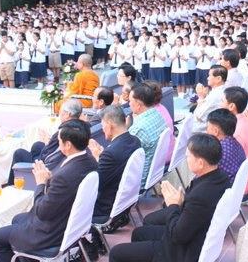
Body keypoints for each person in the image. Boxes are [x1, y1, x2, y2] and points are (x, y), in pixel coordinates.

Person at [109, 133, 231, 262]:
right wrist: (181, 201)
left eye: (188, 155)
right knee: (139, 233)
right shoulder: (220, 178)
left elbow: (178, 236)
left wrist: (173, 204)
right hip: (195, 234)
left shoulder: (200, 196)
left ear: (200, 163)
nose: (186, 157)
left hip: (180, 251)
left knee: (116, 253)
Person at [0, 120, 99, 262]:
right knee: (17, 219)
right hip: (70, 224)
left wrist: (41, 183)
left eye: (59, 141)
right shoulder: (90, 161)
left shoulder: (64, 176)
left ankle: (28, 254)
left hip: (51, 234)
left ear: (68, 145)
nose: (57, 144)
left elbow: (42, 212)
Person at [87, 105, 141, 224]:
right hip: (124, 202)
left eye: (103, 126)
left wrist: (98, 159)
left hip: (105, 208)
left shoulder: (110, 153)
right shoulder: (135, 141)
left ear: (109, 124)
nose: (102, 129)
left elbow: (97, 185)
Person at [7, 99, 83, 184]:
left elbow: (51, 156)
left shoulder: (65, 131)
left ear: (68, 114)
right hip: (53, 156)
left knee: (19, 153)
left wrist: (48, 142)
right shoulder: (81, 126)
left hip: (46, 165)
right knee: (37, 145)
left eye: (61, 112)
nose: (59, 115)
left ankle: (11, 185)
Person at [128, 83, 169, 186]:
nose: (129, 104)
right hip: (155, 172)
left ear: (138, 105)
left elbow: (125, 158)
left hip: (140, 180)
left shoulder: (138, 129)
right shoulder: (157, 114)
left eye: (130, 101)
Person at [206, 108, 246, 183]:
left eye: (207, 127)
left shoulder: (217, 151)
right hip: (235, 187)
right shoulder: (235, 143)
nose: (206, 131)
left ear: (215, 131)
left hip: (223, 190)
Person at [221, 86, 248, 163]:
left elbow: (231, 158)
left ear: (231, 106)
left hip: (244, 172)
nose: (220, 104)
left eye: (222, 101)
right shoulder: (245, 120)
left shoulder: (235, 132)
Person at [193, 64, 228, 132]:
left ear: (218, 79)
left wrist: (201, 96)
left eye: (209, 75)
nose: (207, 78)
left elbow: (199, 116)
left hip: (203, 131)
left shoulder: (215, 96)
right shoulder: (220, 90)